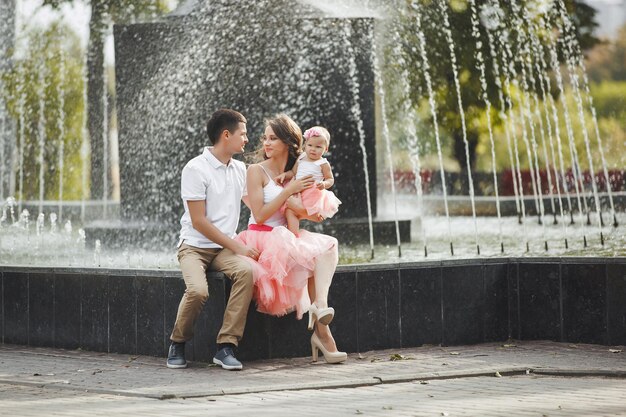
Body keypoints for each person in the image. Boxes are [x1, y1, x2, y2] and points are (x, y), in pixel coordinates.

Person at [235, 114, 347, 364]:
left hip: (287, 234)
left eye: (273, 138)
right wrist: (288, 192)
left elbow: (313, 216)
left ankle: (319, 308)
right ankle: (323, 334)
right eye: (265, 138)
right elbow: (260, 215)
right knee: (309, 255)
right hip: (263, 237)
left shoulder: (299, 169)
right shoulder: (256, 170)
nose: (266, 143)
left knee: (328, 245)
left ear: (288, 142)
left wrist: (307, 202)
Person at [167, 109, 260, 371]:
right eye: (243, 134)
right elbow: (199, 222)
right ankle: (178, 342)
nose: (246, 139)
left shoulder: (241, 169)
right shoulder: (195, 168)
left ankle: (226, 346)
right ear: (226, 135)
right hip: (194, 247)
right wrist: (239, 246)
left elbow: (254, 206)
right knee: (198, 291)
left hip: (223, 249)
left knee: (246, 271)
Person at [275, 126, 341, 236]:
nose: (313, 149)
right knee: (289, 211)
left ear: (326, 149)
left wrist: (324, 184)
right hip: (297, 191)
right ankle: (293, 234)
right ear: (305, 145)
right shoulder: (302, 157)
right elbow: (293, 172)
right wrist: (284, 175)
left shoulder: (323, 163)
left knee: (307, 212)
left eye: (318, 147)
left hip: (312, 193)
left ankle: (296, 232)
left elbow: (330, 179)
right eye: (310, 145)